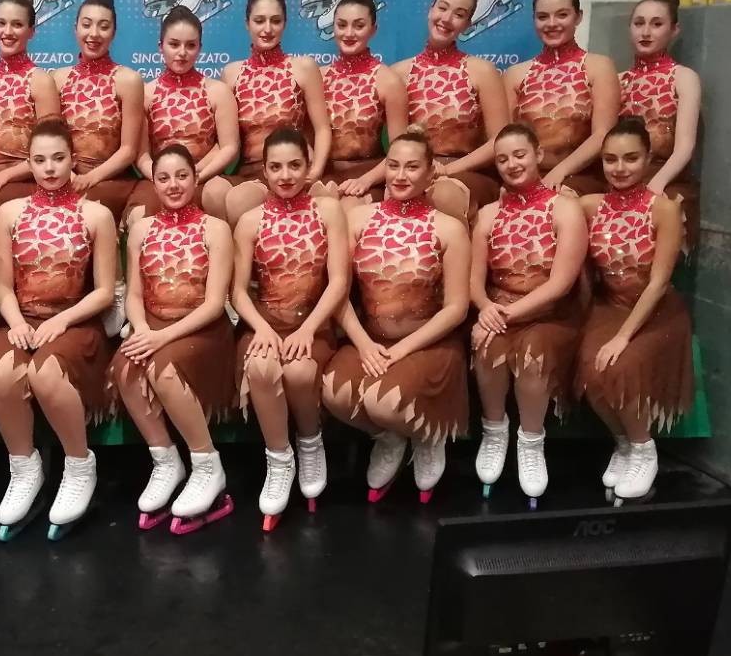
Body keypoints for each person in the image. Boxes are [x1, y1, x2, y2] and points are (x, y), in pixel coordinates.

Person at [0, 118, 117, 541]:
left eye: (58, 158)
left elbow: (105, 292)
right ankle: (25, 469)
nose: (50, 168)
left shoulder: (96, 214)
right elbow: (3, 286)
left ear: (73, 159)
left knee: (45, 374)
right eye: (40, 160)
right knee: (0, 375)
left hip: (75, 320)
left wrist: (61, 320)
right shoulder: (9, 212)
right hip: (23, 319)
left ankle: (79, 465)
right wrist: (16, 322)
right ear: (29, 163)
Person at [322, 131, 471, 504]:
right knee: (333, 394)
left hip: (427, 343)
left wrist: (402, 349)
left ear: (431, 172)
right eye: (393, 165)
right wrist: (363, 343)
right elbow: (337, 292)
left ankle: (426, 433)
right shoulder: (357, 219)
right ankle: (389, 438)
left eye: (412, 167)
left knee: (382, 402)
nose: (401, 175)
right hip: (371, 340)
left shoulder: (449, 228)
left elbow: (457, 308)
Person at [111, 145, 236, 533]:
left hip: (203, 330)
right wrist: (142, 330)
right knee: (126, 368)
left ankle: (207, 464)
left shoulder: (215, 229)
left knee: (163, 370)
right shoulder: (141, 229)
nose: (173, 185)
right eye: (164, 178)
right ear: (153, 183)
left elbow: (214, 304)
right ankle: (166, 462)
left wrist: (161, 337)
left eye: (182, 176)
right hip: (153, 326)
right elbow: (133, 295)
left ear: (195, 178)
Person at [232, 127, 349, 530]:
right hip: (265, 322)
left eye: (295, 165)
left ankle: (310, 441)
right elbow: (237, 291)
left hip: (312, 322)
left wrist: (309, 329)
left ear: (308, 166)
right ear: (264, 171)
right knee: (262, 367)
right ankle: (279, 459)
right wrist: (261, 327)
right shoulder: (249, 221)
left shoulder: (328, 210)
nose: (286, 175)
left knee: (299, 371)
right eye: (276, 167)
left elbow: (339, 281)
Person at [470, 124, 588, 507]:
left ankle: (531, 441)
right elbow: (474, 284)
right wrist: (486, 308)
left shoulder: (565, 209)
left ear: (538, 154)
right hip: (500, 311)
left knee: (533, 353)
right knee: (486, 344)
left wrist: (505, 313)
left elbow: (560, 285)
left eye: (519, 155)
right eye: (502, 159)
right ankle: (494, 431)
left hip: (550, 315)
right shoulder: (488, 215)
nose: (512, 164)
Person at [576, 118, 693, 504]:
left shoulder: (664, 209)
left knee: (620, 365)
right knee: (589, 370)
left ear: (648, 158)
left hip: (656, 311)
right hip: (610, 305)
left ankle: (644, 449)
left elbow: (658, 283)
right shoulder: (590, 206)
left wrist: (623, 337)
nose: (619, 167)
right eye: (610, 159)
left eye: (630, 158)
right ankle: (624, 443)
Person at [392, 0, 509, 221]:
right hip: (413, 171)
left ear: (467, 24)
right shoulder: (398, 74)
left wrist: (446, 170)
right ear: (431, 10)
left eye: (459, 14)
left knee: (443, 195)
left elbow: (500, 140)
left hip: (468, 172)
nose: (446, 19)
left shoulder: (483, 71)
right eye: (442, 8)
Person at [222, 0, 332, 227]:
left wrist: (315, 171)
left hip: (294, 171)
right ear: (247, 23)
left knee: (324, 197)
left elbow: (323, 129)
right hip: (252, 172)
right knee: (225, 195)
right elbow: (227, 140)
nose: (267, 29)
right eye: (259, 20)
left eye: (275, 21)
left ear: (285, 23)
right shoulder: (232, 74)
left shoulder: (303, 67)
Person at [124, 6, 240, 225]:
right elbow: (142, 156)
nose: (182, 52)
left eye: (191, 45)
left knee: (219, 195)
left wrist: (194, 176)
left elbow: (228, 147)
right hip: (158, 179)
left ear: (200, 48)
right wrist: (163, 180)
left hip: (205, 176)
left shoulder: (217, 91)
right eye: (174, 44)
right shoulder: (145, 95)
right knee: (138, 216)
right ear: (161, 46)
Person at [506, 0, 619, 196]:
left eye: (562, 15)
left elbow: (603, 134)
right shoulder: (515, 74)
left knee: (558, 202)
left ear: (578, 17)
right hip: (524, 176)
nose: (551, 23)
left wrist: (559, 172)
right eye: (542, 17)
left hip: (581, 176)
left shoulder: (599, 66)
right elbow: (505, 139)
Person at [0, 0, 61, 227]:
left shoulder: (41, 81)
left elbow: (52, 150)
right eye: (1, 23)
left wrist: (6, 175)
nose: (7, 32)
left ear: (31, 31)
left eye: (17, 25)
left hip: (31, 180)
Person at [618, 0, 702, 252]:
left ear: (674, 30)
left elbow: (685, 147)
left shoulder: (683, 78)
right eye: (639, 23)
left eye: (657, 24)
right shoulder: (618, 81)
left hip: (666, 179)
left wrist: (657, 184)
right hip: (618, 178)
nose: (646, 32)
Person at [51, 0, 144, 222]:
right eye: (86, 25)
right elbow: (50, 141)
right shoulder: (57, 79)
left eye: (103, 27)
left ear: (113, 33)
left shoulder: (129, 80)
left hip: (113, 181)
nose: (94, 34)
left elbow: (128, 150)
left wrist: (89, 179)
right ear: (75, 29)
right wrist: (69, 176)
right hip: (65, 178)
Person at [318, 0, 408, 208]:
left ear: (373, 30)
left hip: (369, 175)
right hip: (324, 173)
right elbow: (307, 139)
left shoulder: (388, 80)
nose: (349, 33)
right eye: (342, 25)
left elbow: (400, 151)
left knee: (346, 209)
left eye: (359, 26)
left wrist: (366, 180)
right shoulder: (318, 77)